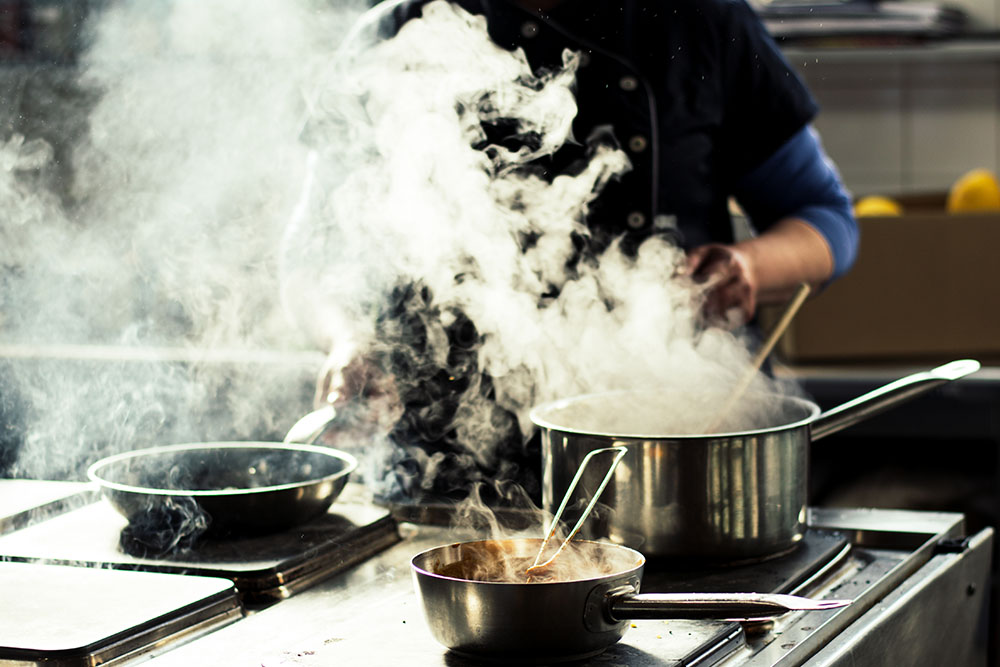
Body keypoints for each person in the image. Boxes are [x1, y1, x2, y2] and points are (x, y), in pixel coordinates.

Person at [318, 0, 858, 504]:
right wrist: (349, 335)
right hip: (437, 473)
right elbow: (315, 252)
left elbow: (827, 219)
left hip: (665, 459)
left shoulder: (700, 18)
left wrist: (750, 267)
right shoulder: (395, 32)